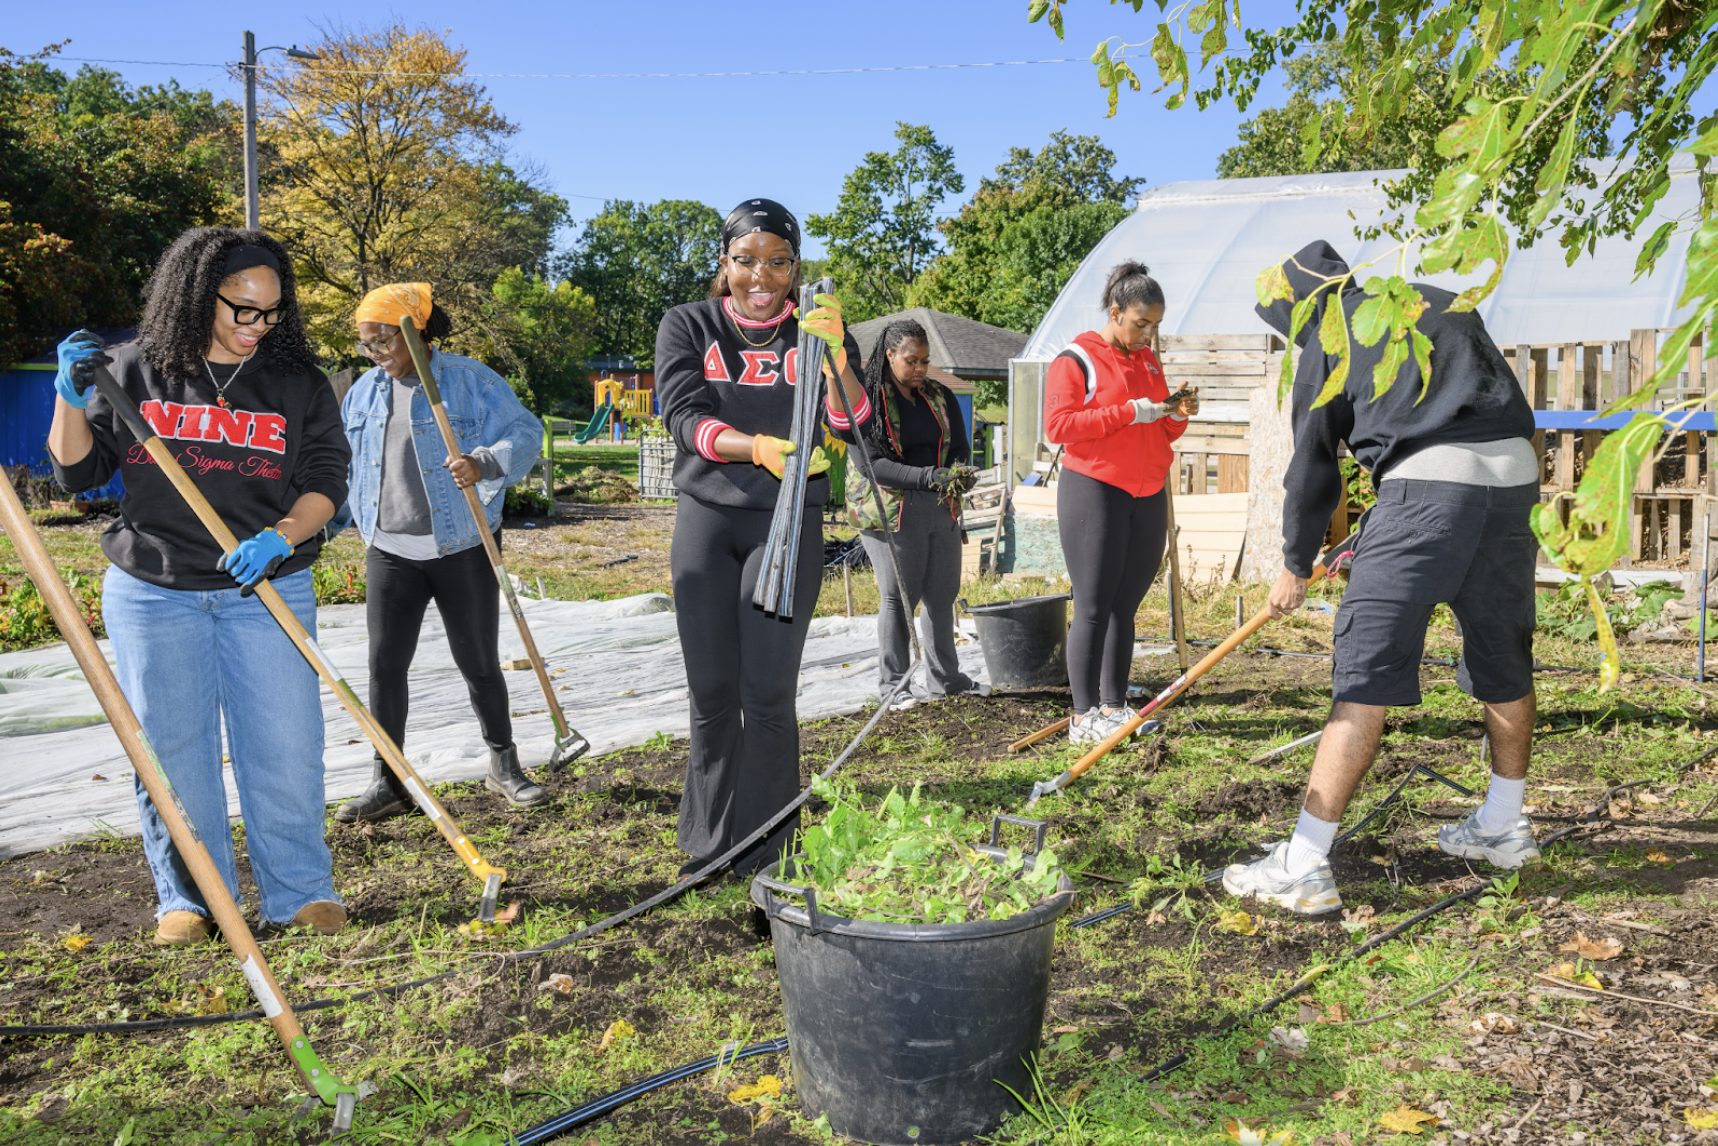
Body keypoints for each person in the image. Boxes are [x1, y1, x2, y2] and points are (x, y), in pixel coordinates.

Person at [47, 228, 351, 944]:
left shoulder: (296, 383)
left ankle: (300, 892)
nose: (255, 327)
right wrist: (68, 398)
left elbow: (326, 482)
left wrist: (284, 534)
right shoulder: (132, 372)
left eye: (270, 312)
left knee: (285, 744)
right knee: (172, 751)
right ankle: (192, 898)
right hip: (155, 591)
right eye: (240, 309)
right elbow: (74, 475)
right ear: (195, 294)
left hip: (267, 590)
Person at [1222, 239, 1541, 915]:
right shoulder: (1442, 302)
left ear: (1301, 309)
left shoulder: (1329, 339)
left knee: (1364, 672)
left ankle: (1304, 864)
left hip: (1425, 495)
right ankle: (1504, 826)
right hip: (1514, 485)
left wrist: (1292, 563)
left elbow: (1313, 467)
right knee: (1504, 658)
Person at [655, 197, 865, 878]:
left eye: (777, 262)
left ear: (796, 267)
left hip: (790, 524)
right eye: (746, 261)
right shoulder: (689, 325)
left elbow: (851, 418)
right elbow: (683, 417)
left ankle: (770, 847)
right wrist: (755, 449)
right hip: (709, 523)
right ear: (725, 263)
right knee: (713, 694)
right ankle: (709, 846)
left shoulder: (820, 329)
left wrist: (834, 355)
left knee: (767, 695)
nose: (760, 276)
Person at [331, 283, 548, 822]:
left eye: (384, 341)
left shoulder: (471, 383)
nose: (376, 355)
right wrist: (314, 530)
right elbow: (348, 471)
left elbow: (527, 432)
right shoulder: (363, 393)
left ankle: (503, 763)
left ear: (417, 333)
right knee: (385, 665)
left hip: (463, 544)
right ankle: (389, 779)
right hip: (390, 549)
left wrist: (484, 463)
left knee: (477, 661)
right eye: (367, 345)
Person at [1044, 262, 1198, 744]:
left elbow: (1161, 427)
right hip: (1096, 489)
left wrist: (1178, 413)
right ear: (1115, 312)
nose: (1148, 335)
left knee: (1124, 606)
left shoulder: (1148, 361)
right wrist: (1127, 413)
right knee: (1092, 604)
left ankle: (1114, 707)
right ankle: (1082, 715)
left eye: (1155, 325)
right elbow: (1059, 427)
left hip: (1147, 491)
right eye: (1140, 324)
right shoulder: (1077, 359)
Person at [835, 318, 983, 709]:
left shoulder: (939, 395)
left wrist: (959, 473)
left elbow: (960, 446)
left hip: (938, 502)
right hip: (890, 507)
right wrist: (929, 476)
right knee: (901, 597)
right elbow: (873, 466)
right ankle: (894, 687)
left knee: (941, 594)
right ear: (889, 355)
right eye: (911, 360)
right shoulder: (867, 399)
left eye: (925, 361)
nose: (919, 369)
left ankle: (946, 680)